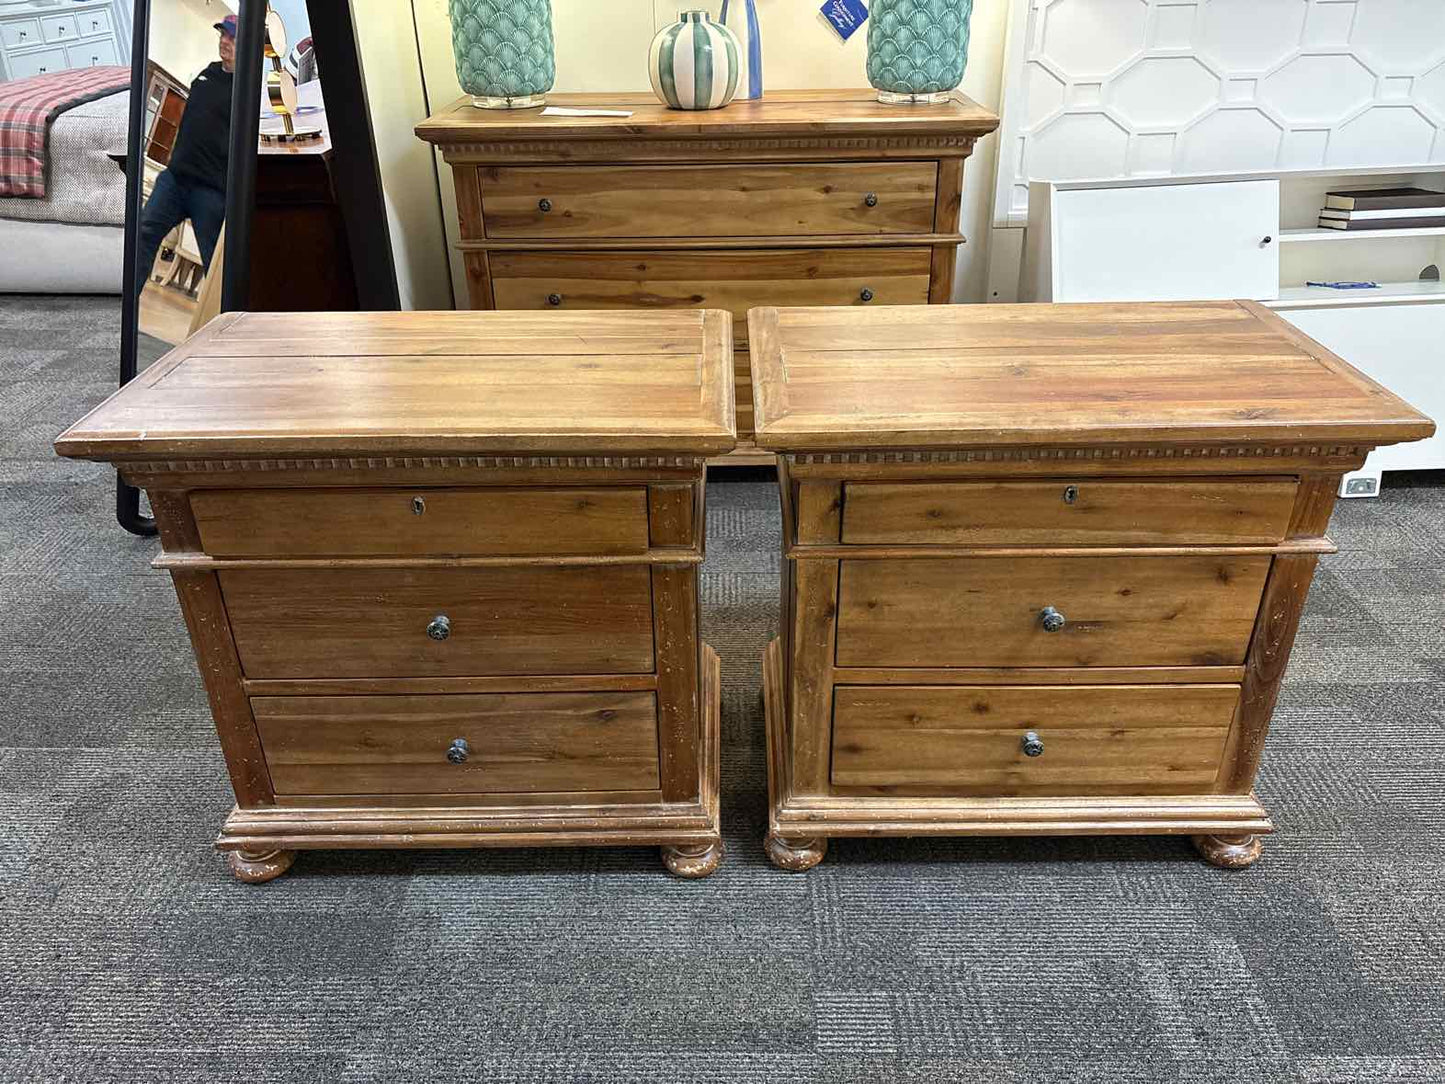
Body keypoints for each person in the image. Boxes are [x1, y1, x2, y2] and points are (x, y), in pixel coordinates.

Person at [134, 15, 237, 293]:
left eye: (231, 37)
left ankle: (227, 316)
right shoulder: (207, 73)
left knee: (217, 265)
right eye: (222, 35)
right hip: (175, 180)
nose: (224, 41)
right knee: (142, 234)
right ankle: (125, 303)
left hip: (211, 191)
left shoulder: (244, 90)